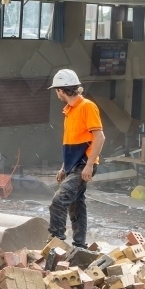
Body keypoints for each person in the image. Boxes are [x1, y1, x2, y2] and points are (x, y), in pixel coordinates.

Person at [49, 69, 104, 248]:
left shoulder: (87, 106)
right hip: (74, 165)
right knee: (76, 206)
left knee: (58, 201)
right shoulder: (69, 111)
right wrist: (64, 167)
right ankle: (80, 246)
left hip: (83, 165)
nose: (57, 93)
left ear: (61, 90)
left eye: (56, 90)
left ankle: (56, 243)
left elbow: (99, 137)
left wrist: (88, 166)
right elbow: (73, 143)